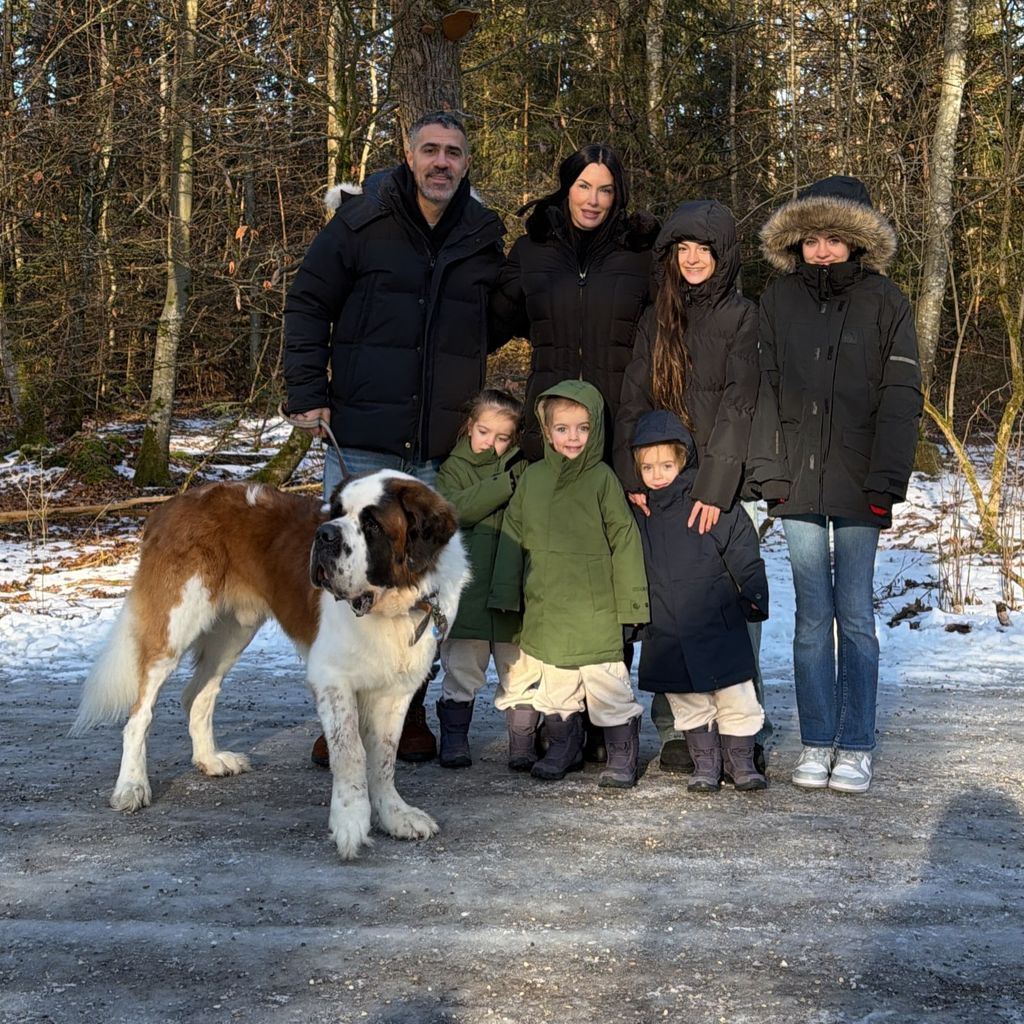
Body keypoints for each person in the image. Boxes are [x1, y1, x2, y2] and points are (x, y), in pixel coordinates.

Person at [283, 110, 506, 764]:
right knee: (351, 580)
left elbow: (503, 311)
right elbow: (308, 301)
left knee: (419, 585)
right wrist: (306, 391)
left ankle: (403, 717)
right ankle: (341, 718)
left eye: (454, 152)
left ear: (467, 162)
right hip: (363, 432)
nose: (442, 162)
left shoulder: (480, 234)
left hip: (440, 442)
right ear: (408, 157)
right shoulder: (359, 221)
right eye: (430, 150)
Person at [751, 175, 923, 794]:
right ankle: (816, 741)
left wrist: (886, 482)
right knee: (807, 619)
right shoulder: (777, 301)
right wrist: (769, 474)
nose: (822, 251)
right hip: (795, 484)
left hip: (860, 484)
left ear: (857, 243)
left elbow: (902, 398)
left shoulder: (886, 301)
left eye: (835, 240)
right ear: (797, 243)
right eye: (812, 240)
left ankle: (856, 743)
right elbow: (762, 390)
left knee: (853, 615)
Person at [613, 200, 768, 776]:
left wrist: (714, 487)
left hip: (716, 487)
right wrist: (635, 477)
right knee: (670, 603)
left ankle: (743, 733)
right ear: (670, 256)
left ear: (724, 255)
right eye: (683, 249)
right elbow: (634, 396)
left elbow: (739, 403)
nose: (694, 258)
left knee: (725, 601)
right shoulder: (659, 316)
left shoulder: (742, 316)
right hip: (660, 483)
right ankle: (679, 731)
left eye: (705, 249)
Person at [488, 380, 649, 788]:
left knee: (608, 689)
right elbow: (513, 534)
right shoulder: (534, 479)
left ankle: (621, 754)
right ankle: (563, 746)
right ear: (547, 431)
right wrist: (505, 592)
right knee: (556, 691)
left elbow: (625, 540)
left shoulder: (602, 480)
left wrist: (632, 607)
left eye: (582, 428)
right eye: (562, 428)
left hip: (596, 610)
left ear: (595, 431)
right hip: (548, 608)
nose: (572, 437)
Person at [490, 143, 657, 463]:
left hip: (619, 431)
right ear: (567, 187)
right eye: (583, 186)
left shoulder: (639, 256)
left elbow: (669, 334)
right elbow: (489, 325)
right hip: (549, 429)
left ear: (617, 196)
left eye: (604, 190)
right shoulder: (531, 251)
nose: (593, 200)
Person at [629, 410, 768, 793]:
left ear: (684, 460)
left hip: (715, 615)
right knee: (688, 700)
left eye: (666, 464)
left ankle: (741, 761)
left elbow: (742, 544)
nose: (657, 474)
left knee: (736, 694)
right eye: (647, 467)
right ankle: (705, 764)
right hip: (667, 622)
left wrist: (753, 592)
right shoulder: (639, 513)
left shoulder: (706, 501)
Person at [434, 389, 541, 771]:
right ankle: (455, 739)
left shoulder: (524, 468)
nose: (491, 444)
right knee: (462, 669)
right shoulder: (453, 468)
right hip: (470, 593)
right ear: (469, 426)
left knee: (522, 672)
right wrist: (502, 486)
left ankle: (523, 743)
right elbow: (452, 511)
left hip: (512, 590)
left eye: (502, 438)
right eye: (484, 432)